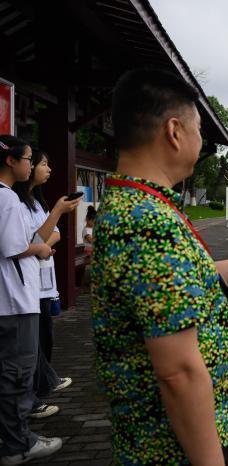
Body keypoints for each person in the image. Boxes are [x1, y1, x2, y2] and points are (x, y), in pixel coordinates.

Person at [90, 68, 228, 465]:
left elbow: (197, 283)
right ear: (174, 131)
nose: (201, 140)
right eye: (198, 130)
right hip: (174, 448)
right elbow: (179, 373)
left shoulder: (143, 208)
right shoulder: (147, 223)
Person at [0, 135, 63, 464]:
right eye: (28, 158)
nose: (31, 164)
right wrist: (39, 248)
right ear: (11, 161)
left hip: (10, 299)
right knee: (17, 374)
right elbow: (16, 246)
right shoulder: (7, 199)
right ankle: (17, 444)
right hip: (13, 300)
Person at [12, 147, 79, 417]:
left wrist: (41, 245)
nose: (47, 169)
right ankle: (35, 395)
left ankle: (43, 384)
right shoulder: (13, 202)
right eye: (41, 163)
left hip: (41, 280)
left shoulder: (36, 201)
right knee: (31, 347)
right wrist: (40, 245)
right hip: (26, 285)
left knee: (43, 340)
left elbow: (53, 235)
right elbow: (30, 243)